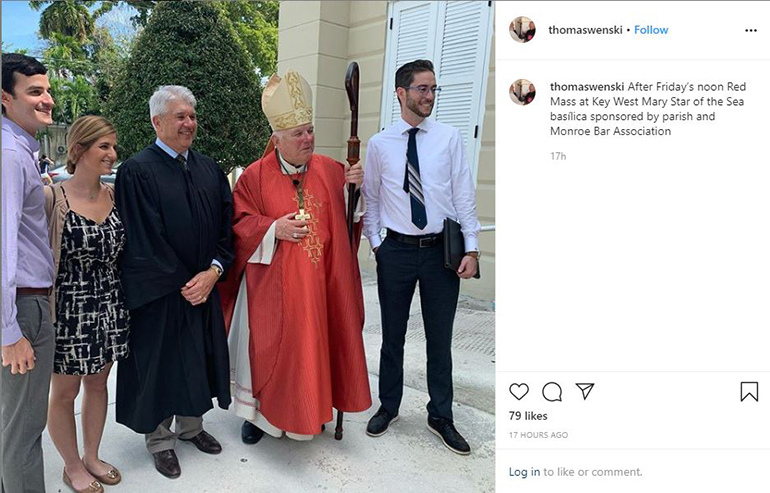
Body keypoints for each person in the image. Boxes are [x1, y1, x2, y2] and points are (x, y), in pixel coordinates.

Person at [218, 70, 371, 444]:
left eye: (310, 130)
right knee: (266, 350)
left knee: (315, 346)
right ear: (277, 138)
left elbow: (350, 221)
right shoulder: (253, 177)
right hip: (271, 290)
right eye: (298, 133)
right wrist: (273, 229)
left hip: (319, 288)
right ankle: (258, 417)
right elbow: (239, 224)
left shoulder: (333, 170)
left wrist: (355, 193)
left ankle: (312, 409)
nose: (308, 139)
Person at [362, 59, 481, 455]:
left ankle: (440, 415)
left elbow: (463, 195)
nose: (429, 96)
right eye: (422, 89)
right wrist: (376, 245)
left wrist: (472, 247)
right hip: (395, 251)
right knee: (391, 336)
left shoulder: (449, 138)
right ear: (402, 93)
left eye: (433, 89)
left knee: (439, 339)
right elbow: (373, 199)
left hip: (439, 253)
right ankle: (389, 406)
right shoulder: (380, 144)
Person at [114, 85, 233, 479]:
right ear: (157, 121)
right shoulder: (137, 171)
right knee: (161, 365)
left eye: (192, 116)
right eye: (180, 116)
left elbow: (226, 228)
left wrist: (213, 271)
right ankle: (161, 441)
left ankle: (192, 428)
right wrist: (188, 282)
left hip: (203, 287)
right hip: (162, 293)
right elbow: (144, 238)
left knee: (197, 359)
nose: (189, 123)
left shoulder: (208, 169)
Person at [44, 116, 128, 493]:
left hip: (110, 304)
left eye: (113, 146)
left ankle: (92, 455)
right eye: (104, 146)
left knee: (98, 383)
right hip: (68, 310)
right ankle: (72, 465)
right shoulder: (52, 198)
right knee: (65, 393)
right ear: (79, 150)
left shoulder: (114, 196)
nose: (112, 153)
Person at [1, 53, 56, 493]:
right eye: (34, 92)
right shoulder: (9, 156)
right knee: (23, 433)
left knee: (11, 426)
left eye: (47, 89)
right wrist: (10, 330)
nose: (47, 99)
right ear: (5, 99)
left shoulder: (20, 150)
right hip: (23, 308)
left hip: (24, 304)